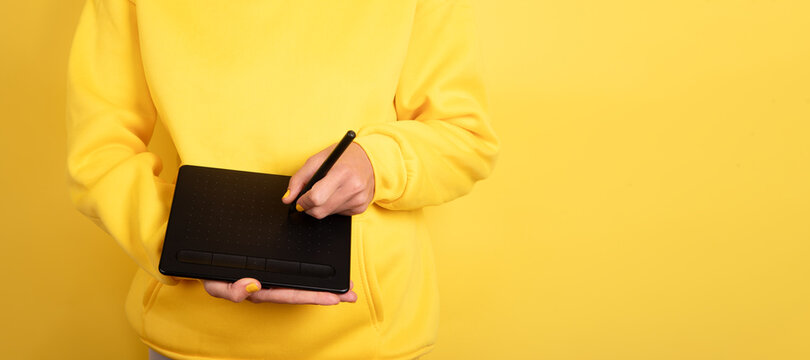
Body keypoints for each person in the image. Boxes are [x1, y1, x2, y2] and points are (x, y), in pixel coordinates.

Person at [66, 0, 499, 359]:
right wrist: (185, 246)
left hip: (367, 341)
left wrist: (375, 162)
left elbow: (464, 136)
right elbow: (101, 151)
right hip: (194, 336)